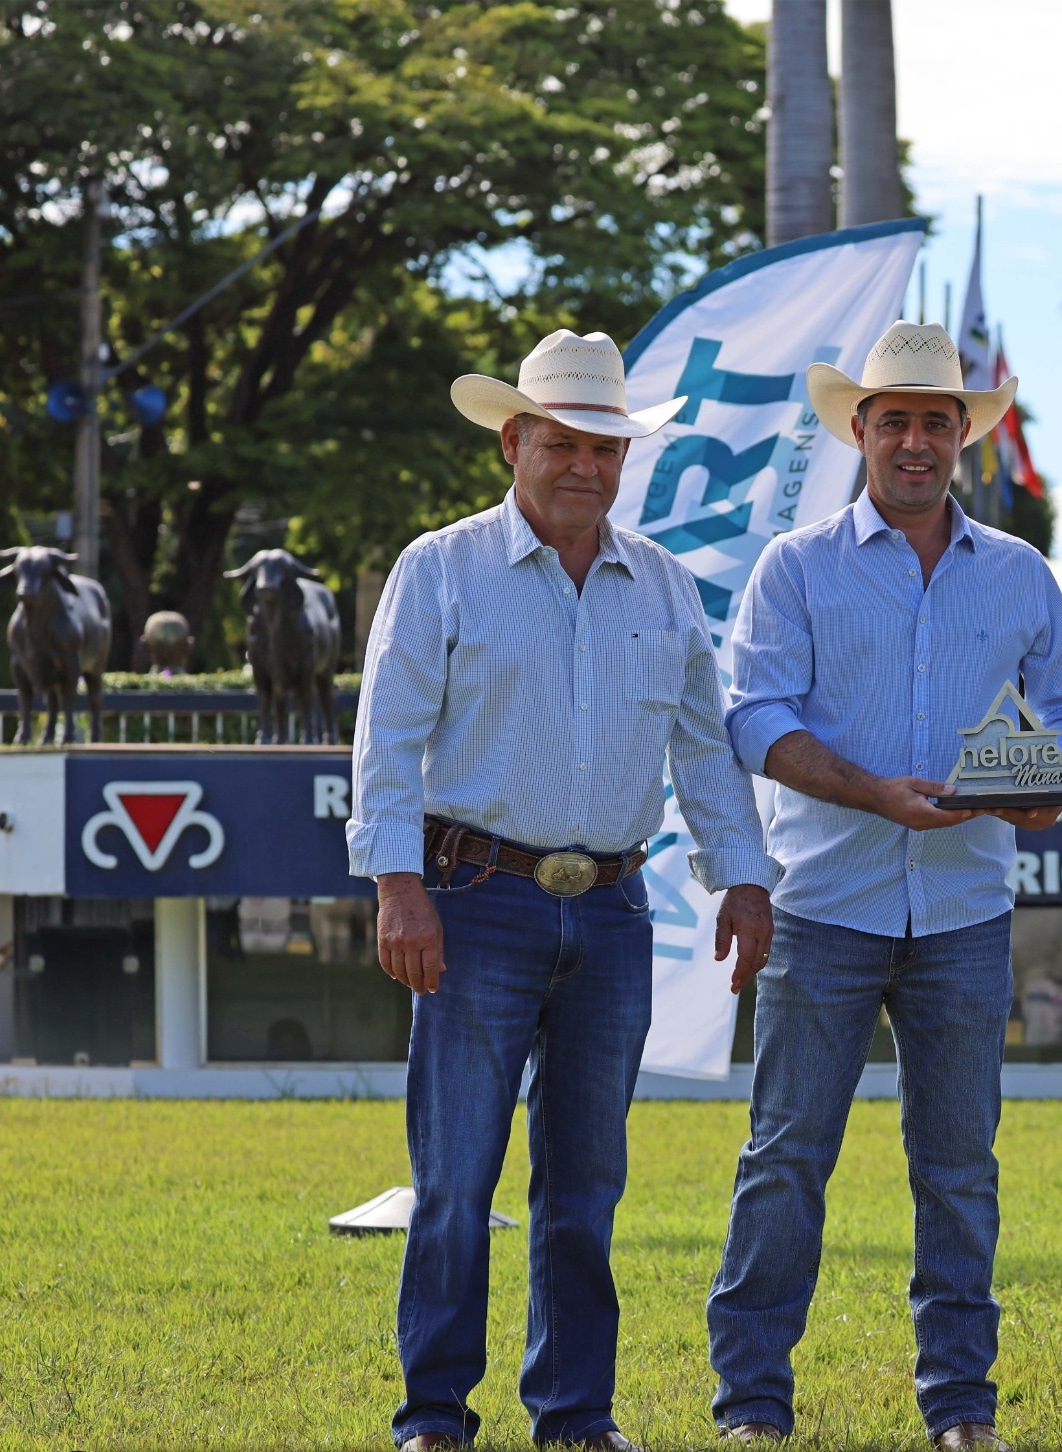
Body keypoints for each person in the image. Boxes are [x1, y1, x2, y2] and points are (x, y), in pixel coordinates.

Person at [349, 329, 778, 1452]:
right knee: (455, 1179)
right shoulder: (441, 569)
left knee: (586, 1186)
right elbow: (386, 739)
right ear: (513, 442)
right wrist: (398, 886)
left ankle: (577, 1415)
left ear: (625, 457)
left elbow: (704, 750)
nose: (585, 464)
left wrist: (743, 878)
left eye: (605, 446)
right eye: (562, 442)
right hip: (471, 898)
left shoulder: (665, 585)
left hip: (616, 909)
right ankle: (433, 1417)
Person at [706, 322, 1062, 1450]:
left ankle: (961, 1408)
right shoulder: (796, 567)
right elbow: (754, 717)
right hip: (823, 905)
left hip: (964, 916)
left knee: (958, 1170)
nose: (917, 441)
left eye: (938, 420)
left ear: (964, 434)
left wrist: (1049, 778)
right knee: (786, 1158)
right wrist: (873, 794)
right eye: (896, 421)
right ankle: (752, 1405)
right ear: (859, 430)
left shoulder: (1019, 572)